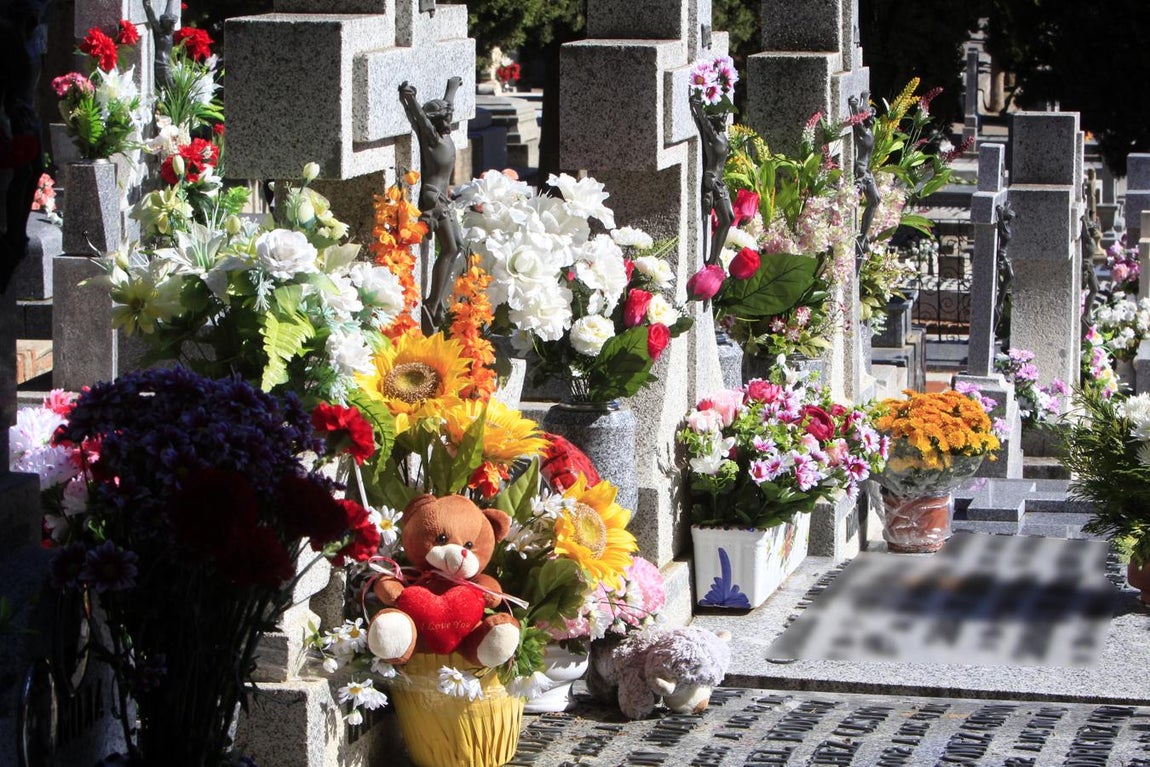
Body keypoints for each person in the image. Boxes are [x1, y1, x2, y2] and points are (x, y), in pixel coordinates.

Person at [399, 77, 464, 334]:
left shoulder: (445, 136)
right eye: (444, 120)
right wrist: (410, 97)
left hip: (443, 197)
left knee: (457, 246)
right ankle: (432, 303)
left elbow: (447, 106)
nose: (448, 123)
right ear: (435, 122)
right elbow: (421, 120)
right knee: (450, 246)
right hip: (433, 198)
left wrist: (452, 87)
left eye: (449, 118)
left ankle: (434, 302)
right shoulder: (432, 139)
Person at [0, 0, 48, 293]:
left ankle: (15, 238)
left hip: (19, 121)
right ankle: (13, 239)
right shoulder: (8, 36)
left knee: (30, 169)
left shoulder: (24, 41)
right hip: (12, 126)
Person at [689, 91, 733, 267]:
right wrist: (698, 106)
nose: (723, 118)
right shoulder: (713, 136)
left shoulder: (722, 135)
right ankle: (712, 261)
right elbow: (704, 122)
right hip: (712, 182)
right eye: (720, 116)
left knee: (729, 218)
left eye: (725, 115)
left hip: (719, 182)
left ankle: (713, 260)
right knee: (726, 219)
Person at [849, 92, 879, 271]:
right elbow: (856, 122)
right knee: (874, 200)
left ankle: (863, 237)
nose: (873, 119)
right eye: (871, 117)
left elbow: (862, 117)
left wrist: (865, 98)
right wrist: (854, 106)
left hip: (866, 170)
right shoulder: (863, 133)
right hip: (861, 172)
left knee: (876, 200)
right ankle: (861, 237)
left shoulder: (868, 132)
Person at [144, 0, 179, 92]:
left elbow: (169, 6)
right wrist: (147, 4)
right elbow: (151, 14)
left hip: (166, 66)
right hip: (161, 67)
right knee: (173, 92)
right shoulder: (160, 31)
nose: (172, 26)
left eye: (173, 23)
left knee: (168, 91)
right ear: (164, 24)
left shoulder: (168, 34)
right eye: (170, 23)